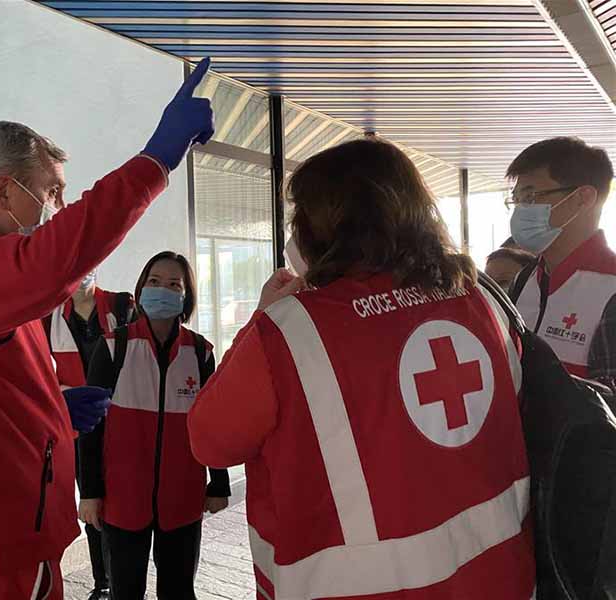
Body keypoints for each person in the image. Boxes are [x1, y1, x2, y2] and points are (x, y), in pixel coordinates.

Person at [0, 59, 214, 599]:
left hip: (4, 536)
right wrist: (155, 161)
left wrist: (52, 414)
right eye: (52, 191)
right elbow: (51, 260)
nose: (58, 208)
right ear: (5, 191)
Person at [188, 139, 535, 599]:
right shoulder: (483, 301)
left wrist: (262, 317)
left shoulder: (290, 330)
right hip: (499, 579)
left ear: (322, 225)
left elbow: (209, 440)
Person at [80, 252, 231, 600]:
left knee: (179, 591)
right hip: (122, 498)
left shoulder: (199, 353)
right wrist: (89, 492)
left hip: (182, 498)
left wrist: (219, 483)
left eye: (174, 284)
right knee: (125, 591)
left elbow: (214, 423)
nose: (162, 290)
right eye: (154, 282)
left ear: (186, 296)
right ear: (141, 288)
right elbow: (90, 429)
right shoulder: (114, 347)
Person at [44, 270, 135, 600]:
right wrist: (67, 397)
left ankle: (127, 579)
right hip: (80, 428)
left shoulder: (122, 306)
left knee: (124, 505)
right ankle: (104, 583)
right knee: (92, 504)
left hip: (123, 422)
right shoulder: (48, 317)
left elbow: (139, 355)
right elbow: (39, 374)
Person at [506, 137, 616, 386]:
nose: (520, 210)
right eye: (517, 198)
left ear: (582, 198)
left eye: (531, 195)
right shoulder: (524, 279)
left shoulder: (610, 287)